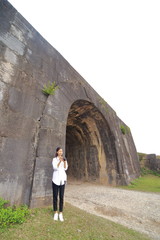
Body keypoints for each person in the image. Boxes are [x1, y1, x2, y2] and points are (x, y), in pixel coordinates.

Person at [52, 147, 68, 221]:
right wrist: (59, 161)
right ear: (57, 152)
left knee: (61, 197)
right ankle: (55, 212)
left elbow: (65, 168)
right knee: (55, 196)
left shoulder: (64, 159)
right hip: (55, 180)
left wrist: (64, 161)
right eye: (60, 151)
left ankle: (60, 212)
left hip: (62, 180)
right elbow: (55, 168)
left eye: (62, 151)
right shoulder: (54, 159)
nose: (61, 152)